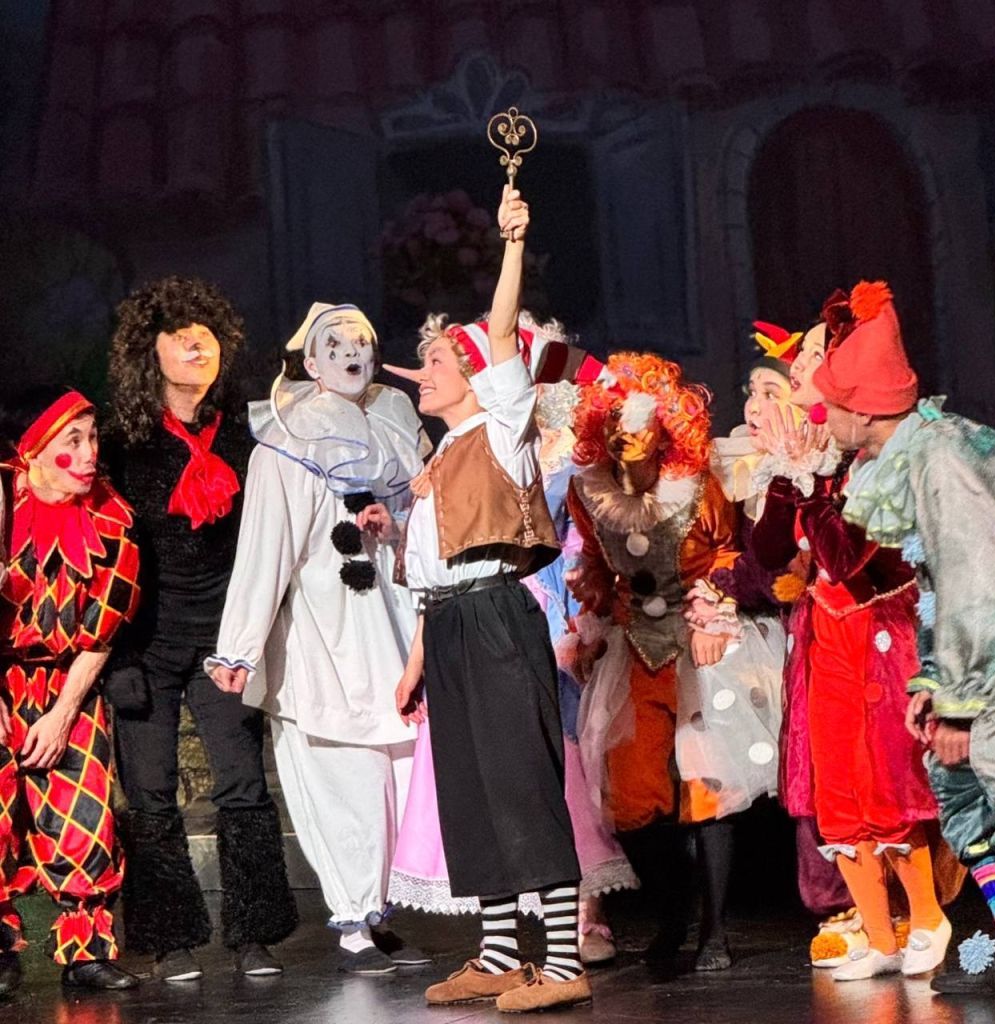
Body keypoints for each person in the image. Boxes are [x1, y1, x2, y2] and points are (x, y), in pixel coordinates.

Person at [386, 187, 591, 1013]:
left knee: (520, 784)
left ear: (476, 376)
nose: (423, 371)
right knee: (470, 792)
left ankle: (564, 961)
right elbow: (430, 575)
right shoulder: (440, 455)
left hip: (499, 617)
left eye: (438, 361)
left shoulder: (503, 425)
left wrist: (512, 244)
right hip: (452, 625)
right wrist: (416, 662)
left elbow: (503, 332)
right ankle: (502, 953)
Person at [813, 280, 995, 996]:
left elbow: (980, 584)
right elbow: (937, 581)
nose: (823, 417)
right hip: (992, 647)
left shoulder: (941, 460)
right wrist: (933, 678)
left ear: (864, 412)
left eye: (832, 405)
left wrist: (960, 703)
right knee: (961, 787)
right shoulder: (913, 451)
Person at [206, 302, 431, 974]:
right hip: (323, 636)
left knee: (396, 777)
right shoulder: (288, 440)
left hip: (390, 625)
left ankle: (380, 912)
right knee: (342, 778)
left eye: (362, 341)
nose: (353, 353)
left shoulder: (393, 420)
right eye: (336, 344)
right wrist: (239, 646)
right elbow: (264, 550)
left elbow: (424, 523)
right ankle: (352, 919)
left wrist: (397, 530)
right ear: (310, 362)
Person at [752, 280, 949, 981]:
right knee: (838, 788)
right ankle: (876, 931)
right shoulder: (815, 455)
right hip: (826, 633)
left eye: (816, 355)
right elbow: (768, 553)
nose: (802, 366)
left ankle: (925, 916)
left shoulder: (883, 461)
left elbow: (847, 558)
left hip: (881, 632)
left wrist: (809, 480)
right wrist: (788, 479)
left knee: (885, 782)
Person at [105, 276, 296, 982]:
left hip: (225, 638)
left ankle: (254, 933)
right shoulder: (121, 444)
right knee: (150, 794)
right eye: (180, 334)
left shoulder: (248, 434)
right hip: (146, 643)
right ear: (149, 350)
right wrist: (116, 655)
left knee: (243, 784)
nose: (196, 345)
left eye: (206, 334)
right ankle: (170, 937)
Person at [567, 352, 782, 970]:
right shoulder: (590, 492)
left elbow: (728, 554)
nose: (626, 434)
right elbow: (597, 565)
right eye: (614, 421)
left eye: (639, 421)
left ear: (666, 427)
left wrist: (713, 617)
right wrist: (593, 619)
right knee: (634, 794)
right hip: (634, 646)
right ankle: (673, 908)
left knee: (708, 784)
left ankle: (713, 932)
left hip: (699, 642)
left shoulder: (696, 487)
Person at [0, 387, 141, 994]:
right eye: (72, 441)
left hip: (68, 680)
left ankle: (86, 951)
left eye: (93, 438)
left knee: (84, 812)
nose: (89, 455)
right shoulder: (3, 504)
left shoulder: (111, 518)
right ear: (32, 451)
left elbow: (101, 633)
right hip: (4, 674)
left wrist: (61, 715)